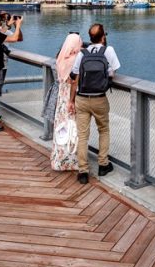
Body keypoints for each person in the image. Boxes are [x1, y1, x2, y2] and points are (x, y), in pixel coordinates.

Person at [68, 23, 120, 184]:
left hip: (82, 98)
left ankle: (83, 171)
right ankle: (103, 164)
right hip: (99, 98)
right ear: (103, 36)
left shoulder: (82, 53)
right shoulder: (108, 50)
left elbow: (74, 77)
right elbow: (113, 72)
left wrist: (71, 100)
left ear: (89, 37)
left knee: (82, 135)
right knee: (103, 130)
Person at [50, 33, 82, 171]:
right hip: (70, 97)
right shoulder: (75, 60)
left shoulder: (61, 58)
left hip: (61, 97)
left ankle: (59, 159)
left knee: (61, 128)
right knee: (73, 129)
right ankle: (72, 161)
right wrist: (72, 100)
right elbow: (74, 82)